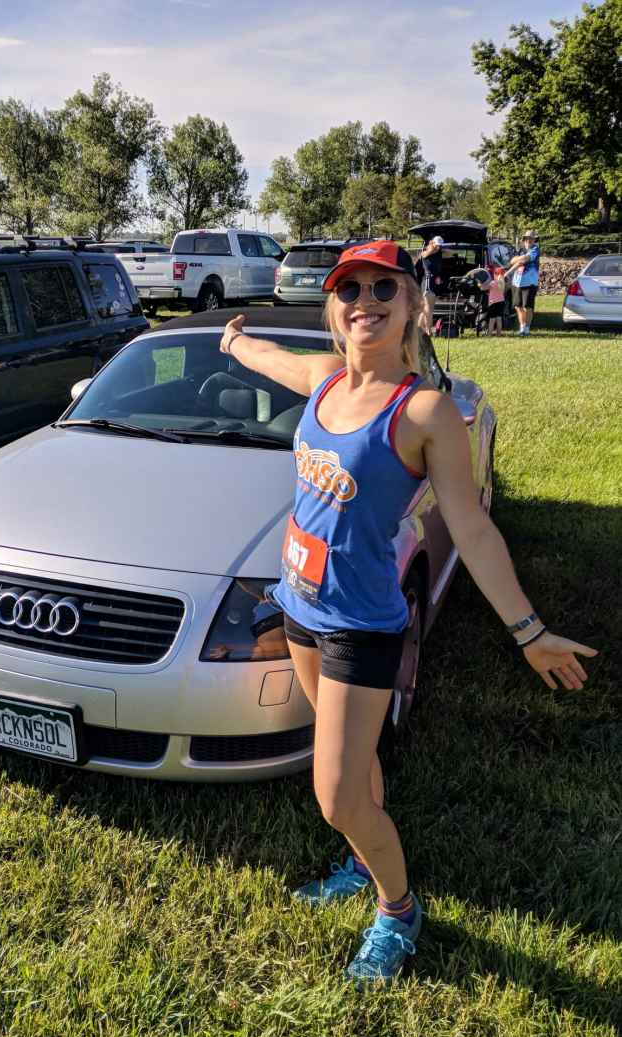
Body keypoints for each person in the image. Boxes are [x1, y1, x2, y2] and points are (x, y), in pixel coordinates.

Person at [218, 239, 597, 986]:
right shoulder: (327, 381)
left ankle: (397, 907)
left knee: (333, 793)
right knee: (357, 776)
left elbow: (474, 525)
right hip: (300, 603)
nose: (365, 301)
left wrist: (528, 630)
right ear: (333, 306)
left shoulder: (423, 411)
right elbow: (274, 363)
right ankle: (364, 864)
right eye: (349, 289)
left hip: (361, 622)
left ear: (414, 306)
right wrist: (235, 340)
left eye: (383, 290)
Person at [504, 230, 540, 336]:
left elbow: (523, 260)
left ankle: (527, 329)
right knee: (518, 306)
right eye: (527, 238)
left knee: (527, 307)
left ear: (534, 240)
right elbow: (512, 261)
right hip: (516, 282)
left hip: (530, 283)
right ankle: (522, 327)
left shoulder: (535, 250)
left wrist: (516, 261)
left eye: (531, 238)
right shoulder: (520, 249)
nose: (529, 240)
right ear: (524, 239)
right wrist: (518, 260)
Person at [417, 235, 450, 333]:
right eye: (437, 245)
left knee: (428, 308)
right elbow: (423, 255)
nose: (439, 247)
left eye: (440, 245)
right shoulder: (427, 253)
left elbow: (437, 267)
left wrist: (438, 276)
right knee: (428, 309)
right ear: (432, 243)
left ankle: (417, 329)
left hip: (433, 282)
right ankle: (428, 331)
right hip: (427, 281)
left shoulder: (438, 253)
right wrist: (432, 249)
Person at [485, 264, 506, 336]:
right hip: (501, 302)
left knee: (492, 320)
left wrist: (479, 284)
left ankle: (489, 334)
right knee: (499, 319)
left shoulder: (493, 283)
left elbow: (483, 288)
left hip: (493, 303)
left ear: (495, 274)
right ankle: (499, 334)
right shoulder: (502, 283)